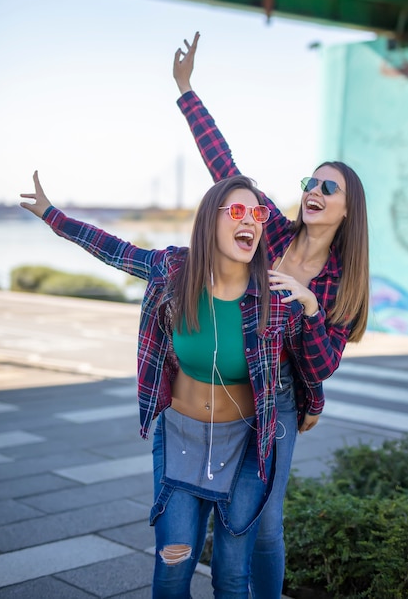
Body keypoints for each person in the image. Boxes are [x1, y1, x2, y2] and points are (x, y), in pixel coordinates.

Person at [21, 171, 338, 599]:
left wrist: (313, 311)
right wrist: (50, 214)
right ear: (211, 220)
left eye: (258, 213)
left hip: (246, 449)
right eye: (238, 211)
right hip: (181, 440)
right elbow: (114, 250)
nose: (251, 221)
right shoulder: (174, 270)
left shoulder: (275, 297)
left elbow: (308, 367)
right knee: (173, 564)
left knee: (230, 576)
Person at [173, 32, 370, 599]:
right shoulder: (273, 234)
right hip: (227, 387)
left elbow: (322, 364)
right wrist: (188, 92)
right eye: (310, 180)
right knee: (218, 514)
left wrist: (308, 308)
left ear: (345, 207)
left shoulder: (339, 281)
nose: (313, 188)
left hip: (277, 401)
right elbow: (226, 169)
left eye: (327, 186)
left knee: (264, 525)